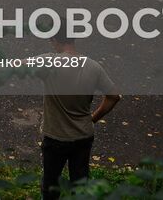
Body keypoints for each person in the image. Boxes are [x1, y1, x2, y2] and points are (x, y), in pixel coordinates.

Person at [40, 30, 121, 199]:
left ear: (55, 39)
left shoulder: (48, 62)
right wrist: (93, 119)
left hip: (55, 137)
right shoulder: (93, 66)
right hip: (83, 137)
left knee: (50, 186)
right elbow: (113, 96)